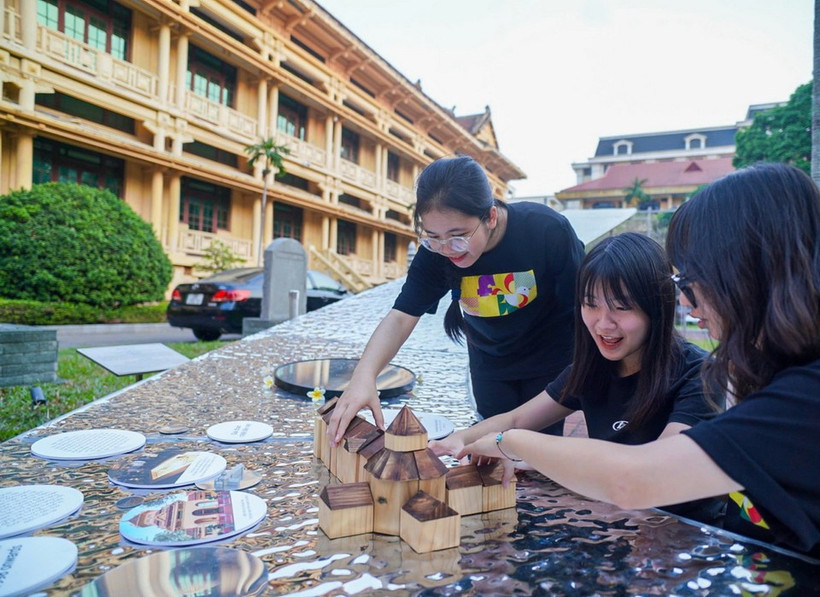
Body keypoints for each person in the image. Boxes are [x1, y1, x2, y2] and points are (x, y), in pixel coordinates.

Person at [458, 162, 820, 556]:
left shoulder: (799, 395)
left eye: (693, 279)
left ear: (748, 273)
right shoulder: (776, 377)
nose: (686, 299)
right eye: (590, 305)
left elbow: (634, 479)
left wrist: (509, 442)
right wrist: (456, 443)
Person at [431, 232, 725, 522]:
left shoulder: (698, 374)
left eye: (622, 308)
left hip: (687, 535)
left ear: (657, 307)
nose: (603, 323)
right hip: (617, 522)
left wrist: (515, 445)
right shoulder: (593, 367)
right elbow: (516, 419)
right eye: (590, 304)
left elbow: (651, 474)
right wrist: (457, 440)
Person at [327, 155, 585, 444]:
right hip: (491, 364)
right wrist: (365, 376)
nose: (448, 249)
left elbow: (582, 311)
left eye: (458, 235)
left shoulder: (545, 231)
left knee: (536, 450)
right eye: (433, 236)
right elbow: (401, 317)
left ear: (491, 216)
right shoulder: (437, 252)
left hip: (550, 362)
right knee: (492, 449)